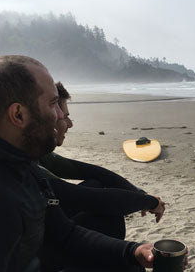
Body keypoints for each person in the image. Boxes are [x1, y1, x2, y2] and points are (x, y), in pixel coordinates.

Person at [0, 55, 171, 272]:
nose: (62, 117)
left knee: (127, 268)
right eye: (52, 104)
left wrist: (132, 250)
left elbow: (67, 234)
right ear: (18, 115)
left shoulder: (23, 166)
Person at [38, 82, 165, 241]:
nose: (70, 124)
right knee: (108, 212)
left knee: (95, 183)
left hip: (45, 228)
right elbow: (92, 199)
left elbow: (94, 171)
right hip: (36, 253)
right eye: (65, 117)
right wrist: (150, 202)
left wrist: (141, 194)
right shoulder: (26, 166)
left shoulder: (38, 155)